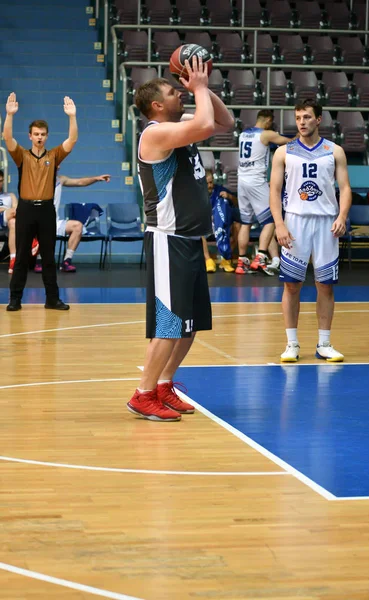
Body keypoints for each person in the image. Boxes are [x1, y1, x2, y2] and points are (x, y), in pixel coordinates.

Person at [127, 56, 234, 421]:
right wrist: (200, 86)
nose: (182, 93)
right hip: (167, 238)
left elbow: (224, 122)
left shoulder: (182, 124)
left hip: (190, 239)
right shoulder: (155, 134)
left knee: (190, 325)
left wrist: (203, 87)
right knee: (170, 325)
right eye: (175, 91)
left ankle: (164, 385)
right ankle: (143, 393)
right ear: (157, 105)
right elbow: (206, 122)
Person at [270, 99, 352, 363]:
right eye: (298, 118)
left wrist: (342, 215)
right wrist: (279, 223)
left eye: (307, 117)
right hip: (295, 222)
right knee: (291, 285)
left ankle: (324, 344)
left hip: (326, 223)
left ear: (319, 119)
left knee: (325, 285)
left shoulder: (334, 150)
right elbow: (274, 190)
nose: (302, 122)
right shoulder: (284, 152)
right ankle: (291, 344)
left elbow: (346, 188)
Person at [3, 92, 78, 311]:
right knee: (22, 256)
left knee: (48, 257)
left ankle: (52, 299)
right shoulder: (22, 156)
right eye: (36, 134)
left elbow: (72, 140)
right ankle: (15, 300)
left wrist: (72, 117)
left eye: (43, 134)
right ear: (30, 136)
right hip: (26, 209)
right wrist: (9, 115)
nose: (39, 137)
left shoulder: (53, 155)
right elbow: (7, 138)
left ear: (46, 136)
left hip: (46, 210)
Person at [235, 109, 293, 276]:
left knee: (246, 223)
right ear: (268, 120)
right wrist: (297, 137)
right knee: (271, 220)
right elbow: (288, 143)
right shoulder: (266, 134)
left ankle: (242, 261)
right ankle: (260, 256)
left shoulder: (243, 134)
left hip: (242, 181)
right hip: (256, 181)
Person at [34, 173, 111, 273]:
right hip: (39, 221)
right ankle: (40, 261)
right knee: (42, 225)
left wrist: (96, 178)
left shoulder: (60, 179)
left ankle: (66, 262)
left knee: (78, 226)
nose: (59, 167)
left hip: (55, 222)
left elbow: (80, 182)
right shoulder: (37, 181)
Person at [202, 168, 240, 273]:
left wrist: (230, 197)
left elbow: (236, 204)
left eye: (211, 182)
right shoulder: (197, 193)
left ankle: (225, 259)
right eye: (207, 183)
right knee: (197, 231)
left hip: (222, 223)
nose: (210, 185)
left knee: (238, 226)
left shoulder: (219, 189)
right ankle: (208, 260)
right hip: (206, 223)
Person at [0, 169, 18, 273]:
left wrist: (5, 210)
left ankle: (13, 259)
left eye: (1, 181)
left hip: (6, 226)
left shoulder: (10, 195)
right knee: (12, 213)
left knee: (13, 222)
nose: (0, 184)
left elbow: (16, 210)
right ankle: (32, 237)